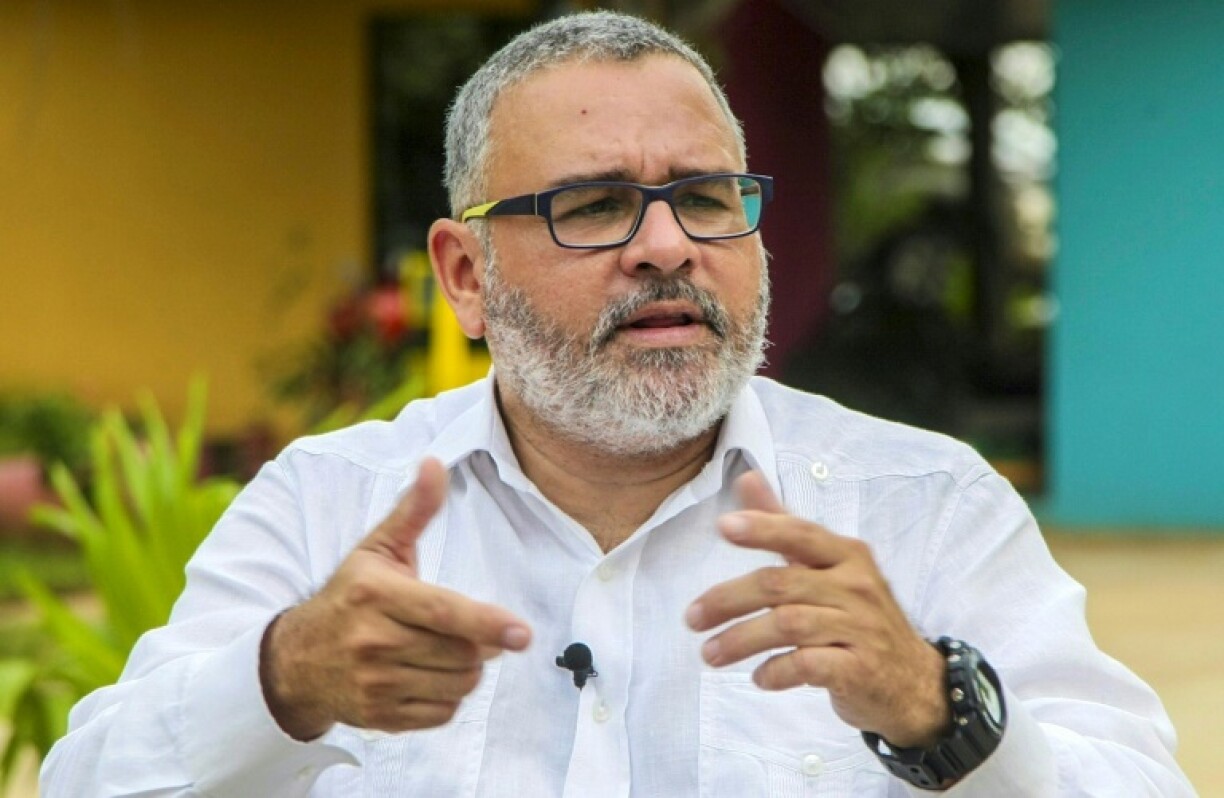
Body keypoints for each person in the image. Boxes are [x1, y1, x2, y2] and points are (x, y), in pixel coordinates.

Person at [43, 11, 1192, 797]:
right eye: (593, 206)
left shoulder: (923, 507)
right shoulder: (327, 505)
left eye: (703, 197)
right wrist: (282, 680)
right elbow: (89, 778)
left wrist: (941, 711)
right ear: (463, 276)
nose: (665, 248)